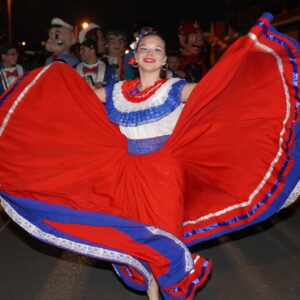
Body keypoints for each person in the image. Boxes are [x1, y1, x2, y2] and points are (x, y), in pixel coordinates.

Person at [0, 13, 299, 300]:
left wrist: (249, 60)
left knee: (164, 237)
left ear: (165, 59)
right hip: (127, 175)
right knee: (142, 242)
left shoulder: (175, 88)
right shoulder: (116, 91)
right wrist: (41, 93)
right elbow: (71, 100)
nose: (151, 53)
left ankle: (172, 291)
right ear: (135, 56)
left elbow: (219, 91)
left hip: (165, 174)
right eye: (145, 48)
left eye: (158, 49)